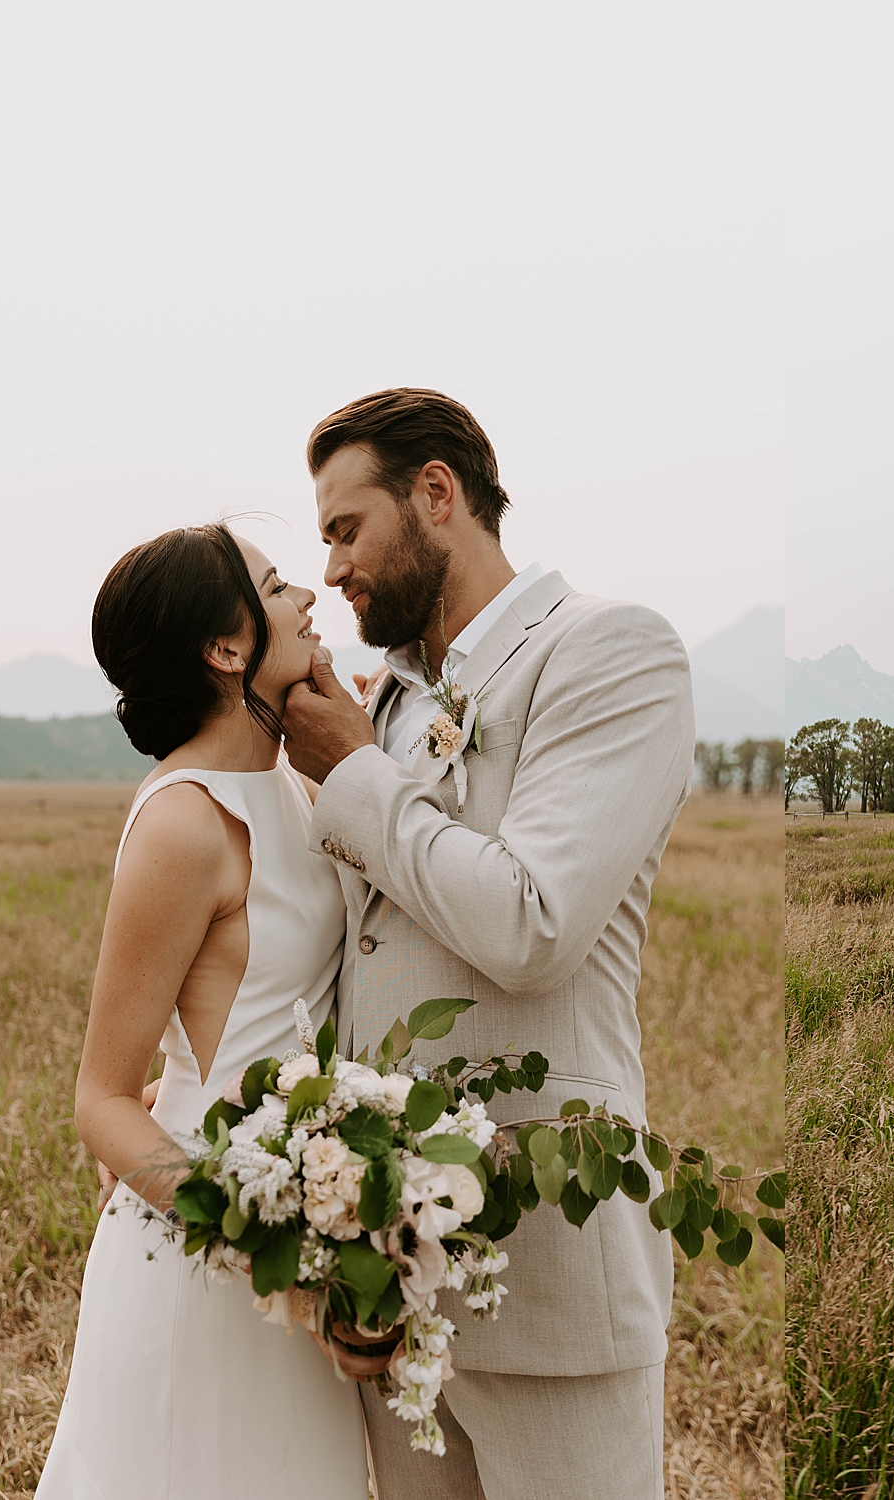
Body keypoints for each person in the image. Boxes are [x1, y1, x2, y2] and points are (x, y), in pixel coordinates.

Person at [280, 388, 693, 1500]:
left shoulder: (609, 649)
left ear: (435, 494)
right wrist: (346, 1246)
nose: (330, 569)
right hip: (395, 1281)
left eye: (344, 529)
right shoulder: (394, 701)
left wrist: (356, 776)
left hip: (551, 1271)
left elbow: (532, 923)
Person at [38, 525, 368, 1498]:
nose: (306, 593)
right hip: (213, 1249)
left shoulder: (301, 784)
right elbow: (102, 1101)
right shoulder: (183, 821)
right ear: (226, 650)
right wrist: (274, 1253)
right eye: (274, 585)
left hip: (311, 1223)